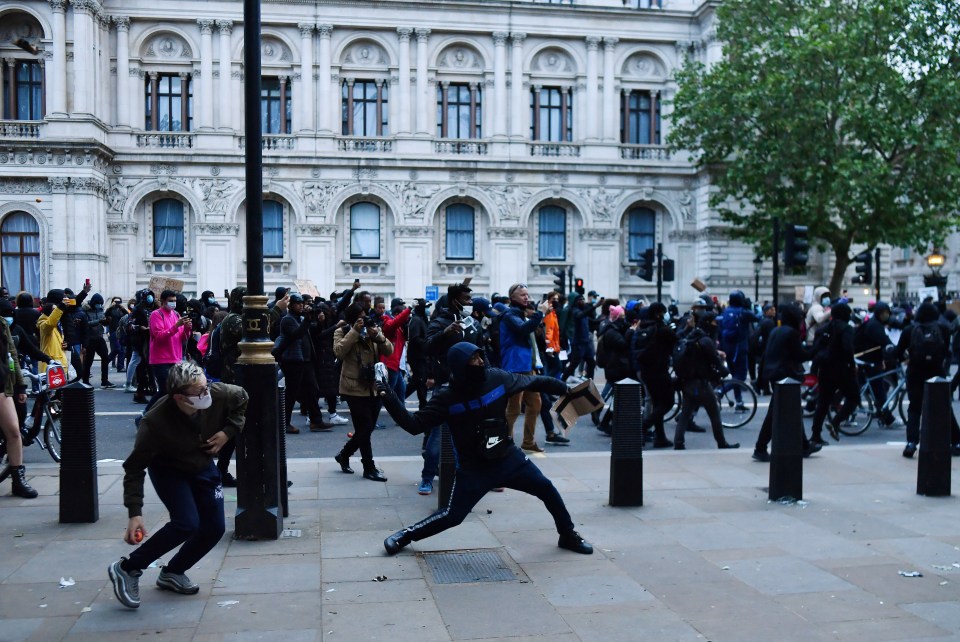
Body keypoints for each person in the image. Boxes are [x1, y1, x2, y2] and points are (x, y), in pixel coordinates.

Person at [379, 342, 593, 556]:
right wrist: (388, 395)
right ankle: (404, 535)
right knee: (452, 516)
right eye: (474, 359)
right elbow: (414, 424)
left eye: (481, 357)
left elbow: (535, 381)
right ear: (460, 366)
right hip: (473, 469)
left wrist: (565, 389)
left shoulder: (497, 379)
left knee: (546, 488)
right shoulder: (446, 398)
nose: (481, 362)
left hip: (508, 458)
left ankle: (567, 534)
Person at [107, 361, 248, 609]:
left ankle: (173, 572)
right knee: (186, 523)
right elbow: (134, 467)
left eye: (207, 387)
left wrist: (228, 431)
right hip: (169, 469)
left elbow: (242, 397)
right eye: (199, 392)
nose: (207, 395)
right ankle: (128, 568)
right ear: (179, 397)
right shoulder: (154, 422)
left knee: (214, 528)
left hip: (202, 465)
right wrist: (135, 512)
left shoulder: (217, 393)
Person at [332, 303, 394, 481]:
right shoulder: (342, 331)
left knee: (367, 428)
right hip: (353, 388)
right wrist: (354, 331)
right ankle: (369, 467)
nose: (364, 319)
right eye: (360, 317)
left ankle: (344, 455)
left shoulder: (372, 330)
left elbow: (389, 351)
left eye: (365, 316)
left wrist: (378, 336)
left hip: (374, 386)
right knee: (364, 427)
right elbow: (338, 352)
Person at [752, 304, 821, 461]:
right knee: (775, 414)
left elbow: (766, 355)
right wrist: (818, 347)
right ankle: (760, 447)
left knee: (792, 410)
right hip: (786, 376)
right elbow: (801, 356)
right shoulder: (790, 333)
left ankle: (803, 445)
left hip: (775, 375)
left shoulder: (777, 330)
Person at [895, 301, 960, 458]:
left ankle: (911, 443)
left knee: (914, 408)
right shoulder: (942, 329)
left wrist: (906, 357)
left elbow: (898, 352)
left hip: (915, 373)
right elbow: (946, 350)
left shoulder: (910, 330)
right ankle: (956, 441)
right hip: (936, 372)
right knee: (944, 407)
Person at [672, 312, 740, 450]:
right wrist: (724, 371)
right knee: (714, 412)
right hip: (700, 383)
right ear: (709, 323)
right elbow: (715, 361)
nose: (717, 324)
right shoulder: (706, 340)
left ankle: (678, 443)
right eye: (715, 322)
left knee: (685, 413)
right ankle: (722, 443)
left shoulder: (694, 336)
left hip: (687, 382)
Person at [500, 283, 548, 452]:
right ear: (512, 298)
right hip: (515, 366)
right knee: (513, 407)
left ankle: (528, 441)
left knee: (535, 404)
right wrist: (540, 314)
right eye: (522, 295)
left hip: (527, 366)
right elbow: (522, 330)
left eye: (527, 295)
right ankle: (506, 442)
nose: (526, 297)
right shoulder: (509, 315)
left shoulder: (521, 314)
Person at [276, 293, 329, 433]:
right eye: (297, 303)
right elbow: (297, 334)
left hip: (305, 361)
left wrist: (319, 322)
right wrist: (307, 318)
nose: (301, 305)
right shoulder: (287, 320)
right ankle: (284, 423)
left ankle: (316, 421)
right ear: (290, 305)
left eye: (301, 303)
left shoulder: (300, 318)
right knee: (291, 394)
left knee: (312, 391)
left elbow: (313, 331)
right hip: (293, 361)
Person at [809, 303, 860, 444]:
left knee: (823, 402)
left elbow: (816, 349)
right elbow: (848, 348)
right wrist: (852, 365)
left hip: (825, 369)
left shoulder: (822, 329)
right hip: (842, 369)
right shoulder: (846, 328)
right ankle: (836, 422)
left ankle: (815, 435)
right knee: (854, 397)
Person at [0, 314, 36, 498]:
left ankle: (18, 480)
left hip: (2, 386)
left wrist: (20, 385)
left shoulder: (2, 323)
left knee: (14, 431)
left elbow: (11, 355)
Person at [632, 302, 676, 448]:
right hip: (659, 370)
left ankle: (660, 437)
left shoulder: (643, 327)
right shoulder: (661, 329)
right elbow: (677, 340)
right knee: (668, 402)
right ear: (659, 314)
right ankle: (643, 427)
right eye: (664, 312)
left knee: (657, 403)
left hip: (645, 370)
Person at [144, 290, 192, 411]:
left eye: (174, 301)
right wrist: (176, 326)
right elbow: (159, 337)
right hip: (161, 360)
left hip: (175, 358)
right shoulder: (156, 315)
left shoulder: (176, 314)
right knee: (165, 390)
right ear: (163, 301)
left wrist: (187, 328)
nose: (173, 303)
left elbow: (182, 337)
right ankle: (146, 414)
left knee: (174, 390)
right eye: (170, 301)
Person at [717, 290, 759, 411]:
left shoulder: (726, 311)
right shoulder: (743, 313)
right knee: (740, 376)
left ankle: (739, 402)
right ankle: (720, 391)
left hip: (727, 347)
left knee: (735, 375)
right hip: (740, 348)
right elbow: (757, 317)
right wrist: (750, 306)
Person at [80, 293, 115, 388]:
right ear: (93, 302)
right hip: (90, 338)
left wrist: (107, 321)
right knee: (89, 360)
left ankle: (105, 380)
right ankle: (85, 380)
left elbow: (102, 320)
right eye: (97, 303)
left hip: (99, 337)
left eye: (100, 303)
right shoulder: (85, 310)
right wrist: (98, 322)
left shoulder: (100, 310)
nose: (99, 305)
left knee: (105, 357)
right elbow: (85, 324)